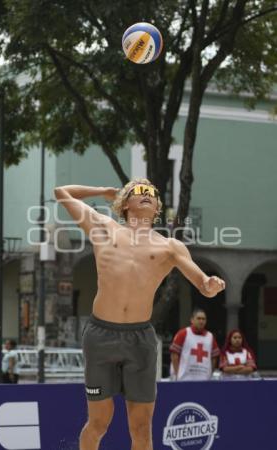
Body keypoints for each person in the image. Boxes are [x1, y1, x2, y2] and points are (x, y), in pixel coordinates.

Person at [54, 178, 225, 450]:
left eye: (151, 193)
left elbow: (202, 284)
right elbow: (61, 193)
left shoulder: (170, 246)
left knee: (142, 428)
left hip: (140, 339)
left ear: (157, 205)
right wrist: (102, 192)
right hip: (100, 336)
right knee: (99, 423)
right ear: (124, 203)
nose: (146, 194)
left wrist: (210, 284)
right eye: (138, 192)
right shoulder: (103, 228)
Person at [169, 308, 220, 381]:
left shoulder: (210, 336)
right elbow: (174, 355)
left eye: (203, 319)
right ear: (192, 320)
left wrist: (210, 374)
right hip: (184, 379)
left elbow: (214, 357)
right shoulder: (183, 333)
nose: (201, 321)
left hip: (204, 380)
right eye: (198, 318)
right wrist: (177, 374)